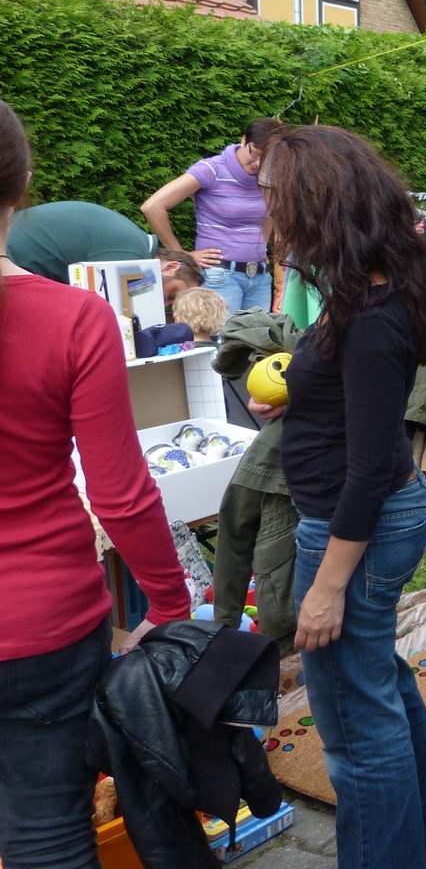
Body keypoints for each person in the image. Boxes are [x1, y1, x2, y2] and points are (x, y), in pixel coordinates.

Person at [247, 124, 426, 869]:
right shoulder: (364, 290)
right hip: (368, 516)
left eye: (276, 198)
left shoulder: (370, 317)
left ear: (320, 207)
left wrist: (327, 588)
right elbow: (357, 407)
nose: (270, 213)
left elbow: (369, 467)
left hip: (352, 528)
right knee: (379, 682)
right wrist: (296, 399)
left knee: (354, 725)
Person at [0, 100, 192, 869]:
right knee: (46, 833)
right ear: (23, 187)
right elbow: (119, 493)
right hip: (42, 625)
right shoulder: (74, 318)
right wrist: (171, 604)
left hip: (40, 625)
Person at [142, 117, 282, 314]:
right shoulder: (211, 170)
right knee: (220, 334)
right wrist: (182, 256)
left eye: (266, 158)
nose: (259, 163)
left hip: (259, 277)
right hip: (221, 277)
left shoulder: (269, 176)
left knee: (258, 334)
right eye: (255, 153)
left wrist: (261, 246)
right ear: (244, 140)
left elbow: (269, 213)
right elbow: (153, 207)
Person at [5, 199, 205, 300]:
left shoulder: (133, 244)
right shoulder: (132, 256)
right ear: (171, 267)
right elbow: (108, 312)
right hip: (9, 258)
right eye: (172, 294)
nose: (164, 304)